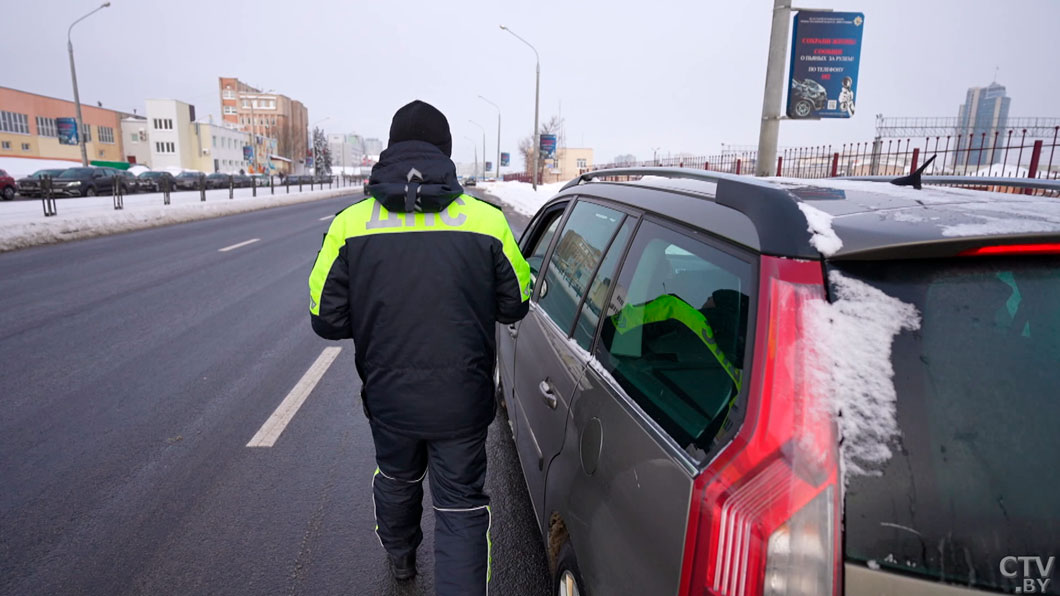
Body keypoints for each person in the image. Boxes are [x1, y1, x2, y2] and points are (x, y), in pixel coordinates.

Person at [308, 100, 531, 595]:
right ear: (446, 154)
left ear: (390, 152)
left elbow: (326, 318)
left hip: (389, 399)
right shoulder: (487, 222)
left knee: (396, 479)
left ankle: (401, 558)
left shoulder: (350, 224)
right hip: (463, 401)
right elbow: (516, 303)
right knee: (461, 508)